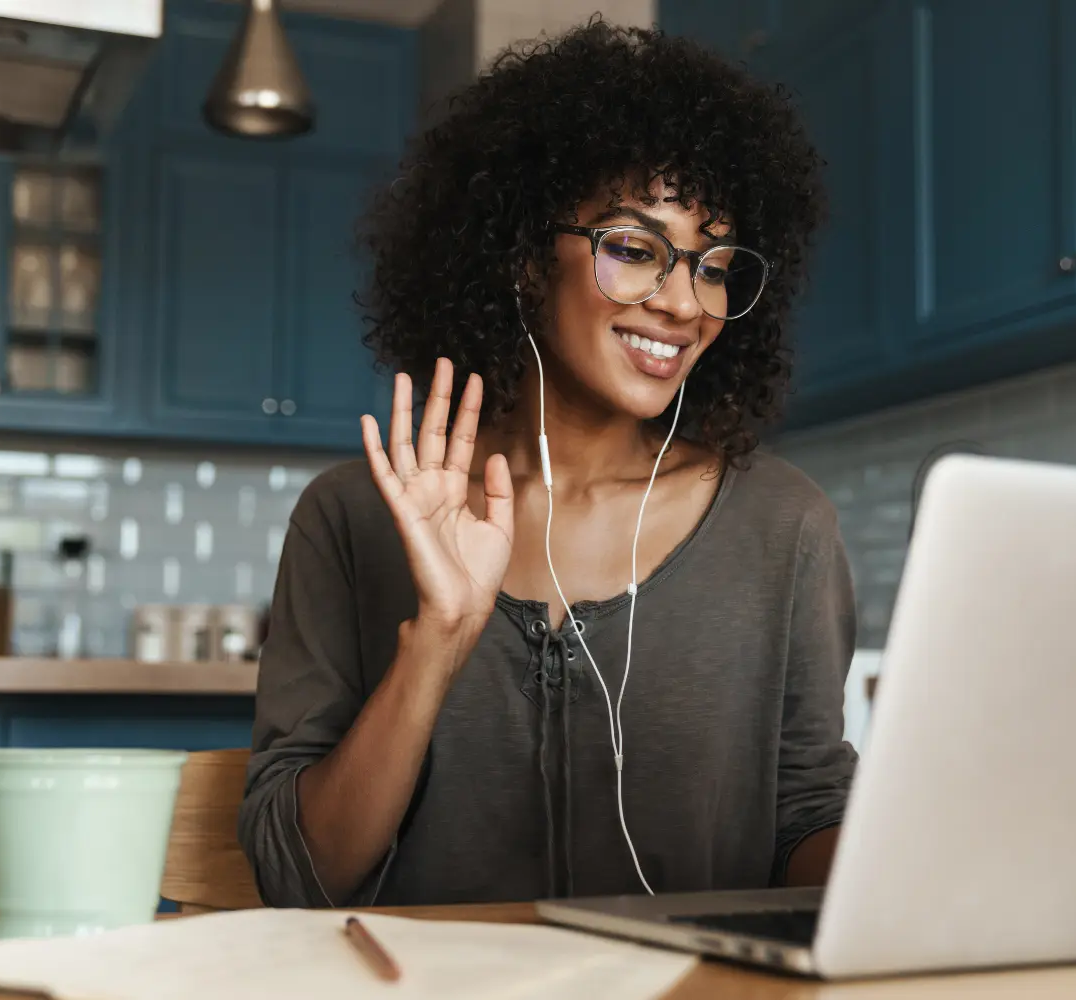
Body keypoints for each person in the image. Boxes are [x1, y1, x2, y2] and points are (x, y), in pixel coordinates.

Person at [238, 18, 857, 908]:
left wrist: (925, 870)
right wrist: (438, 643)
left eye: (715, 266)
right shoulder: (353, 517)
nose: (685, 303)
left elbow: (806, 820)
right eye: (636, 250)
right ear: (527, 258)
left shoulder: (782, 525)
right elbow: (300, 878)